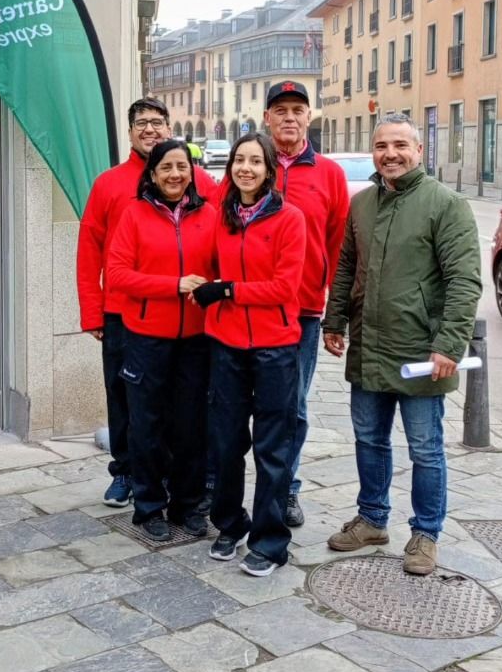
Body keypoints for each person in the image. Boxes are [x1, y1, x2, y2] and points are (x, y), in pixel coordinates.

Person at [321, 113, 482, 575]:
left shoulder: (445, 204)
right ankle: (372, 519)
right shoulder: (363, 204)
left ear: (418, 150)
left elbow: (464, 281)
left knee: (425, 448)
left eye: (399, 145)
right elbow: (347, 268)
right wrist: (334, 322)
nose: (389, 154)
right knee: (369, 440)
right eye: (380, 146)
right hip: (370, 346)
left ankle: (426, 533)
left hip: (421, 353)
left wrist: (449, 344)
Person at [78, 99, 217, 507]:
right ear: (130, 131)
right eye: (142, 123)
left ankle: (175, 475)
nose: (151, 130)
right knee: (123, 396)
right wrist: (93, 310)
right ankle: (125, 471)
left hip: (185, 317)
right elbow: (90, 251)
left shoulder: (198, 180)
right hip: (122, 312)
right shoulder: (108, 184)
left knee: (181, 401)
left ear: (170, 127)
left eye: (158, 122)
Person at [195, 132, 307, 577]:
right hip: (225, 344)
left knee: (272, 449)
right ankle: (230, 523)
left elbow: (284, 287)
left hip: (275, 347)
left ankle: (270, 541)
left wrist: (225, 290)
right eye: (239, 160)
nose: (245, 168)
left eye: (255, 161)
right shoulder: (221, 217)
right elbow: (205, 266)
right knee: (225, 443)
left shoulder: (289, 219)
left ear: (268, 170)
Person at [105, 140, 216, 540]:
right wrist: (173, 285)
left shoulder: (210, 215)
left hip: (197, 339)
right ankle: (149, 506)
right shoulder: (133, 215)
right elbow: (117, 275)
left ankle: (187, 506)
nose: (174, 175)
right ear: (152, 174)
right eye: (166, 167)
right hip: (147, 337)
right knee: (146, 426)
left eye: (181, 167)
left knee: (191, 427)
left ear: (192, 172)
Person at [262, 81, 349, 528]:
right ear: (267, 119)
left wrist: (336, 315)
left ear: (310, 117)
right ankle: (234, 486)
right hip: (250, 310)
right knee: (239, 405)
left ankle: (286, 488)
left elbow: (338, 250)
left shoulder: (330, 175)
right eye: (281, 110)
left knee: (292, 406)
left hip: (303, 312)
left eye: (298, 109)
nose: (289, 117)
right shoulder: (252, 165)